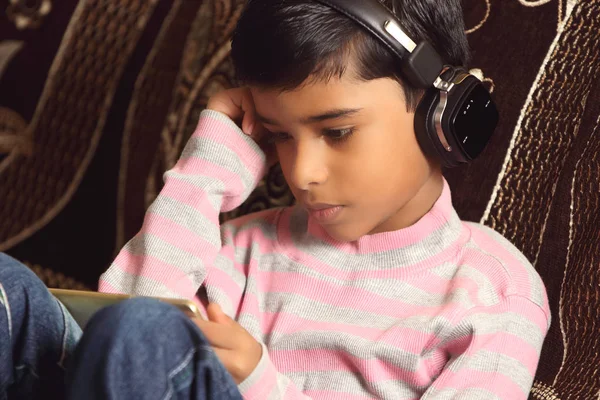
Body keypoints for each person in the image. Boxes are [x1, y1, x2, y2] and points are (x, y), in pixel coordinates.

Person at [0, 0, 550, 399]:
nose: (303, 173)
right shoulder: (244, 245)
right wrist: (207, 169)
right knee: (12, 291)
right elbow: (120, 325)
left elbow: (137, 337)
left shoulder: (493, 290)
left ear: (446, 117)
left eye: (337, 132)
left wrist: (260, 385)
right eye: (280, 135)